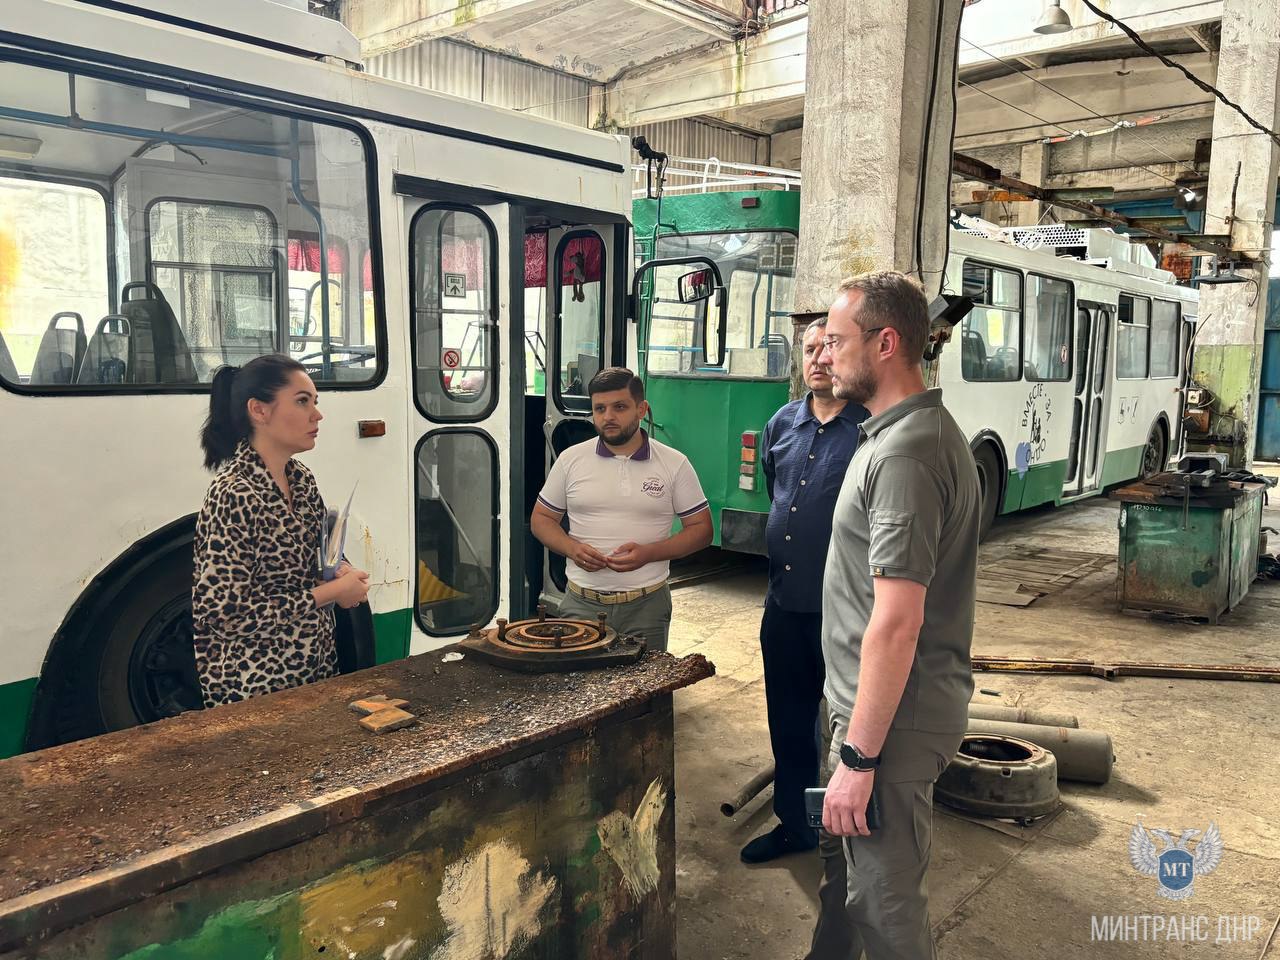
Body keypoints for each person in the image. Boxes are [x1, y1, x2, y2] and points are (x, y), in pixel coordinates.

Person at [815, 271, 980, 960]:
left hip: (890, 729)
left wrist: (859, 756)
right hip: (868, 714)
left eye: (836, 339)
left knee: (885, 908)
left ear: (885, 343)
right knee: (850, 890)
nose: (824, 354)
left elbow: (898, 621)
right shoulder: (893, 433)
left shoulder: (909, 453)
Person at [740, 319, 868, 866]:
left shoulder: (868, 430)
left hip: (847, 616)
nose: (818, 358)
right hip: (786, 608)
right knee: (789, 722)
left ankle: (851, 834)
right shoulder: (781, 423)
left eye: (829, 348)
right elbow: (779, 494)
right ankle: (796, 824)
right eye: (809, 349)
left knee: (851, 727)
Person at [193, 354, 370, 708]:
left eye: (314, 402)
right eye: (302, 402)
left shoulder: (301, 478)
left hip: (316, 671)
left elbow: (322, 553)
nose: (317, 415)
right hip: (256, 689)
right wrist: (332, 592)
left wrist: (344, 572)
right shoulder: (234, 493)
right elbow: (226, 615)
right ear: (259, 411)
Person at [531, 366, 712, 651]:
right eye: (599, 408)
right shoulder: (570, 461)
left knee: (646, 692)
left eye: (619, 407)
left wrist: (649, 553)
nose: (608, 417)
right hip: (580, 605)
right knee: (580, 692)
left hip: (647, 606)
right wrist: (570, 548)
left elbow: (702, 530)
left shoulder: (674, 464)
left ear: (641, 409)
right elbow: (541, 519)